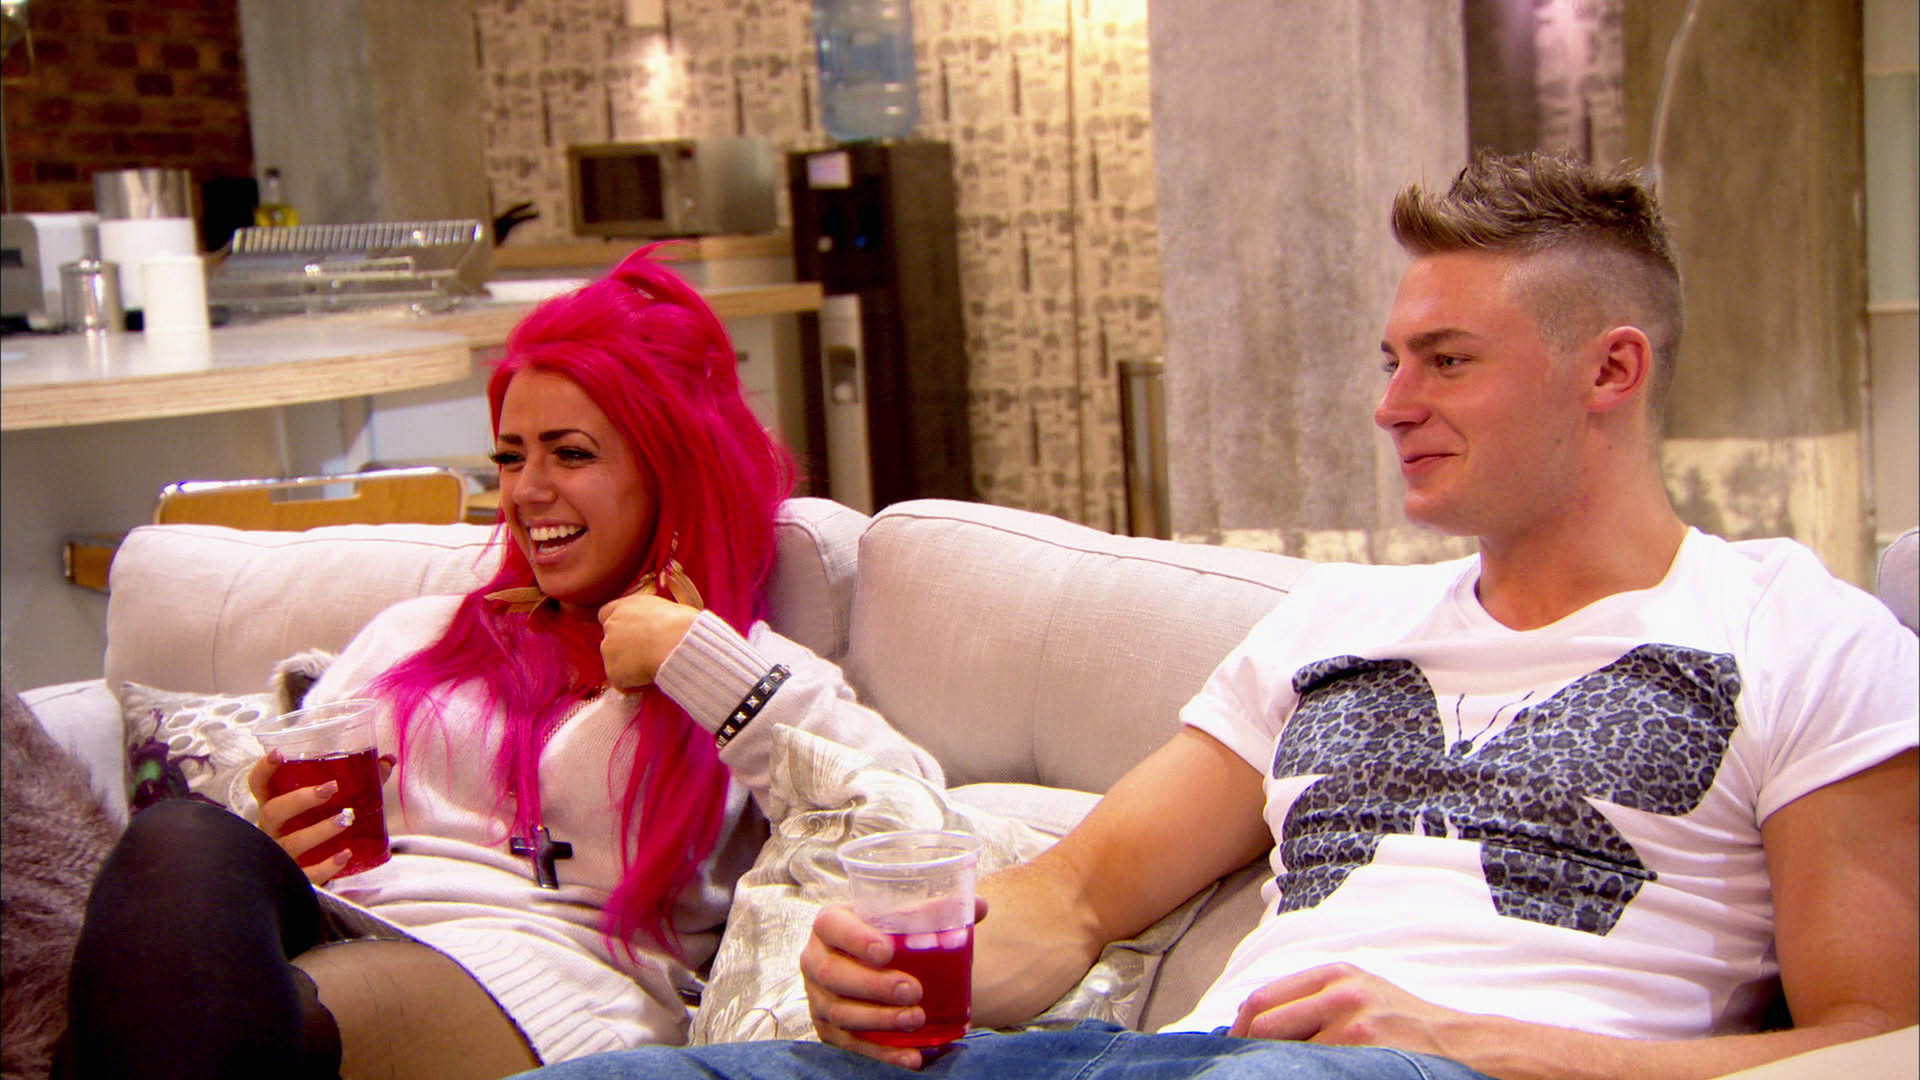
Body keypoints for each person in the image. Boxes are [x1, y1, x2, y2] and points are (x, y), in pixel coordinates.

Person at [508, 153, 1918, 1080]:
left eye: (1446, 361)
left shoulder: (1804, 639)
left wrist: (1480, 1040)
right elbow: (1073, 903)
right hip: (1180, 1059)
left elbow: (1879, 1038)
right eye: (1389, 360)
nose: (1391, 405)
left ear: (1610, 371)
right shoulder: (1336, 626)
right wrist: (891, 968)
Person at [61, 247, 942, 1080]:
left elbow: (907, 809)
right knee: (183, 841)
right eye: (511, 456)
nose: (526, 490)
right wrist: (274, 830)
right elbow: (281, 831)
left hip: (542, 982)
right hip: (340, 927)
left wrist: (694, 657)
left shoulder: (738, 667)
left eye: (571, 453)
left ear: (671, 470)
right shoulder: (419, 634)